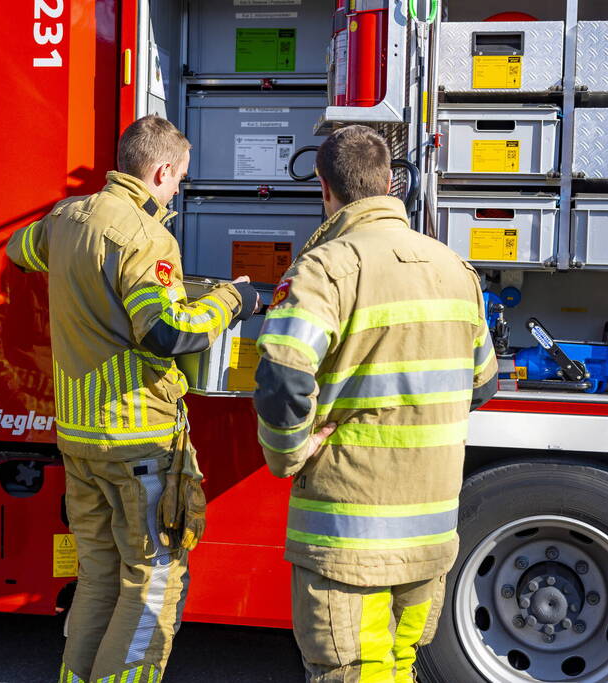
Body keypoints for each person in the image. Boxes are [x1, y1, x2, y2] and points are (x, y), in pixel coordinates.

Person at [6, 114, 259, 683]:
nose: (179, 190)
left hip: (79, 438)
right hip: (137, 438)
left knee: (98, 579)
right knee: (153, 582)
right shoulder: (146, 237)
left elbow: (20, 251)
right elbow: (166, 331)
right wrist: (232, 302)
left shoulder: (66, 217)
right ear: (161, 171)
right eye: (180, 178)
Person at [253, 125, 497, 682]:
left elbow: (282, 377)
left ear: (324, 187)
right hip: (429, 535)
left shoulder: (325, 269)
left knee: (352, 671)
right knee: (399, 666)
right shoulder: (456, 270)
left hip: (348, 538)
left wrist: (288, 455)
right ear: (390, 183)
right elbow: (483, 384)